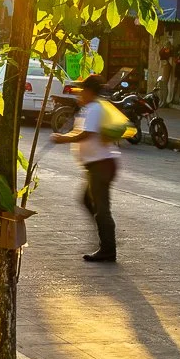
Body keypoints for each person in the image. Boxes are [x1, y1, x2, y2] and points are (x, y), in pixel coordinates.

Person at [52, 73, 120, 263]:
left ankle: (108, 247)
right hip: (97, 165)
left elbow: (87, 133)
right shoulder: (90, 108)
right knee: (88, 201)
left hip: (101, 165)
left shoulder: (94, 108)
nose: (80, 93)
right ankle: (105, 236)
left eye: (82, 90)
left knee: (101, 208)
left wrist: (64, 138)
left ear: (89, 91)